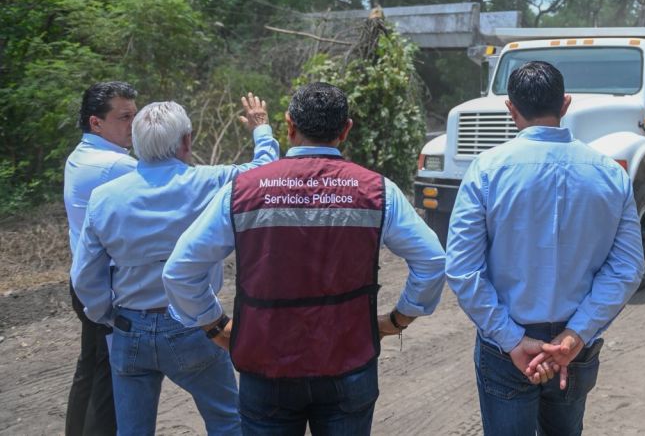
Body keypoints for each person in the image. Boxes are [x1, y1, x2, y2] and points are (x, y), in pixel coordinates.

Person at [163, 82, 446, 435]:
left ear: (289, 125)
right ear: (346, 130)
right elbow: (432, 260)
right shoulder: (377, 191)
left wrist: (213, 324)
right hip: (349, 365)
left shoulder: (242, 190)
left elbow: (180, 271)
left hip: (266, 368)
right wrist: (396, 320)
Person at [445, 61, 645, 436]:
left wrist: (513, 340)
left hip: (506, 347)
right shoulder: (611, 173)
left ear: (511, 109)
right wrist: (574, 336)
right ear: (565, 104)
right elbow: (627, 268)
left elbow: (463, 270)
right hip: (575, 346)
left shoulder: (486, 170)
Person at [72, 94, 278, 436]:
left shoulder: (103, 198)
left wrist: (109, 317)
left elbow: (84, 277)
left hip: (129, 328)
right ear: (186, 141)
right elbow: (266, 173)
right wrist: (261, 128)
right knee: (228, 422)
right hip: (194, 325)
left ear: (136, 142)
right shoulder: (210, 181)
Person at [63, 81, 139, 436]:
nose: (134, 125)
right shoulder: (117, 165)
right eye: (124, 117)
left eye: (135, 116)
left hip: (83, 280)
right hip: (104, 287)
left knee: (90, 370)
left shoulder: (79, 156)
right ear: (96, 123)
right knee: (109, 381)